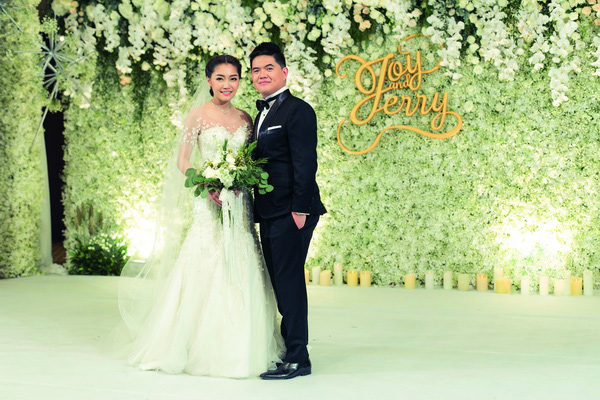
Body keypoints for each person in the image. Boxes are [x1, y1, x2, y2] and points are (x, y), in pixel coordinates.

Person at [117, 55, 283, 378]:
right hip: (208, 201)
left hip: (238, 202)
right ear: (209, 81)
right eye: (220, 78)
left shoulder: (246, 118)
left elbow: (250, 160)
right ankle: (194, 346)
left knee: (241, 260)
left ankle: (240, 346)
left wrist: (241, 181)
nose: (227, 85)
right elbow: (182, 160)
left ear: (239, 81)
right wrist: (206, 185)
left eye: (233, 78)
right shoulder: (197, 115)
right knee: (206, 260)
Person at [249, 43, 327, 380]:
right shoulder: (261, 114)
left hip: (292, 212)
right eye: (256, 70)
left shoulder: (299, 110)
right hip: (269, 211)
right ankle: (288, 349)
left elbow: (306, 162)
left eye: (269, 68)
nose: (262, 74)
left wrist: (299, 210)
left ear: (284, 72)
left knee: (289, 282)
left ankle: (298, 358)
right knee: (279, 282)